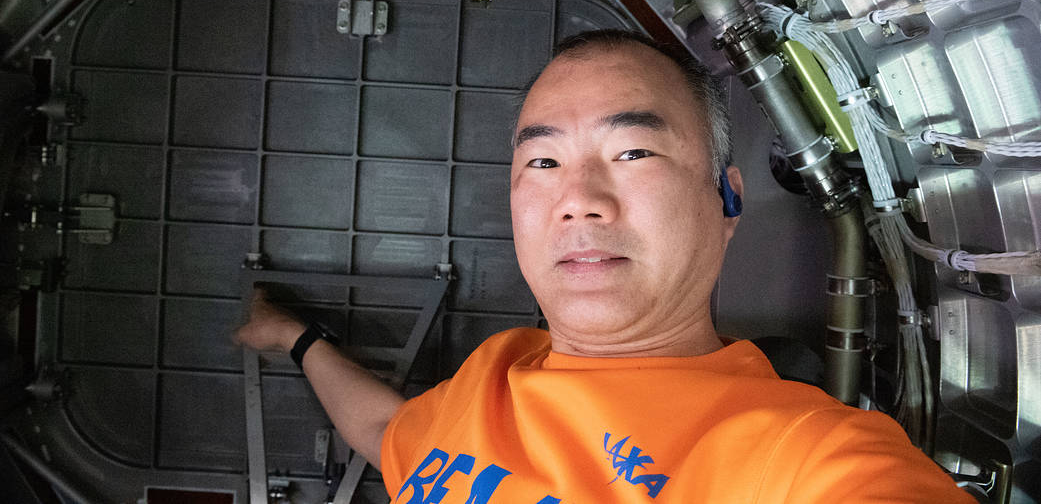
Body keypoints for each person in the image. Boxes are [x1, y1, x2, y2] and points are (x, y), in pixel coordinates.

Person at [235, 29, 972, 503]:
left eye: (632, 152)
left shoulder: (798, 458)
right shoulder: (496, 373)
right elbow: (388, 430)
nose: (577, 201)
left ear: (726, 200)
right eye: (543, 160)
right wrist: (292, 338)